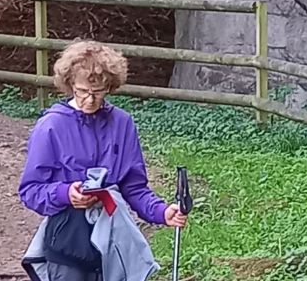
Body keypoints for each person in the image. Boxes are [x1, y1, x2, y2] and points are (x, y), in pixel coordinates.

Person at [18, 41, 186, 281]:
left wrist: (161, 212)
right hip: (68, 243)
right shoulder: (51, 126)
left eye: (98, 92)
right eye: (82, 91)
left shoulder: (122, 123)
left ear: (110, 86)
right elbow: (30, 191)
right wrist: (66, 194)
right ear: (69, 85)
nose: (90, 99)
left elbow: (134, 186)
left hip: (113, 241)